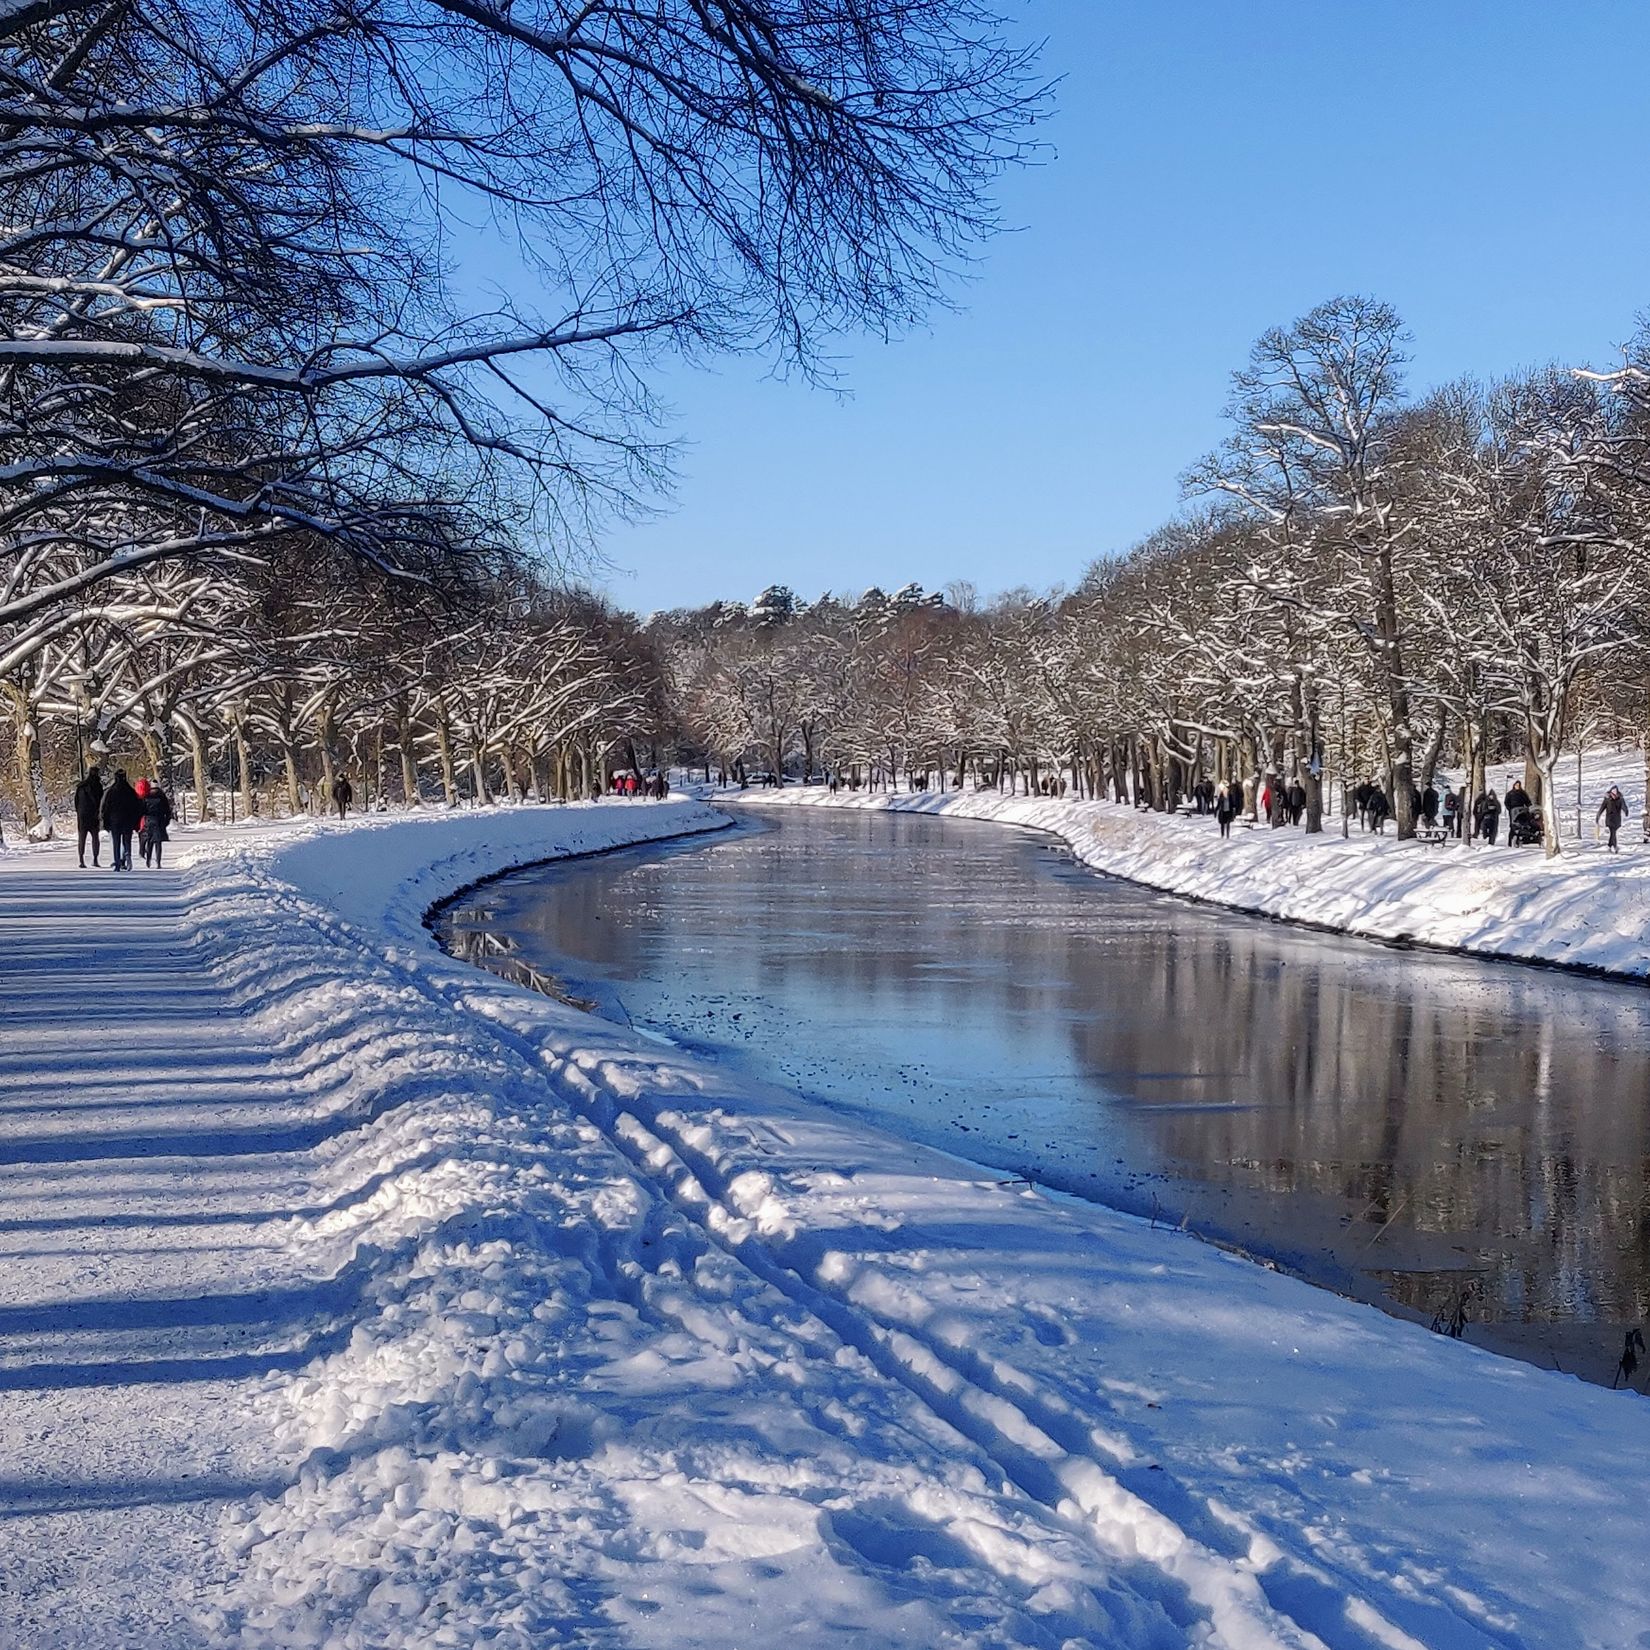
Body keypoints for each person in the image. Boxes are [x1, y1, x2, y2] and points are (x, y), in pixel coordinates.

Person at [100, 769, 142, 870]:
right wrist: (136, 822)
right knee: (127, 841)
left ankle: (117, 862)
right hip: (128, 820)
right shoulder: (130, 791)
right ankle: (127, 855)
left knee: (116, 842)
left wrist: (105, 821)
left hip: (115, 821)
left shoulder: (111, 791)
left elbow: (105, 808)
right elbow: (137, 807)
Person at [73, 764, 104, 868]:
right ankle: (95, 859)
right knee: (95, 838)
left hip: (82, 815)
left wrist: (79, 811)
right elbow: (101, 801)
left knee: (82, 837)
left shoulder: (81, 786)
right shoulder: (98, 786)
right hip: (93, 814)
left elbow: (76, 802)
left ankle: (81, 860)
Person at [139, 780, 173, 867]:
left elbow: (142, 810)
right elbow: (167, 810)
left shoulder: (146, 796)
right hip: (159, 820)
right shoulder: (162, 796)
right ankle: (158, 862)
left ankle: (148, 860)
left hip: (149, 820)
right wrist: (166, 821)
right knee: (158, 842)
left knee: (150, 841)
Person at [1596, 785, 1631, 853]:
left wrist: (1626, 811)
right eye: (1613, 792)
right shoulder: (1607, 799)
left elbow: (1623, 806)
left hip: (1617, 819)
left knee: (1613, 832)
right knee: (1613, 832)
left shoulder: (1620, 799)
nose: (1615, 794)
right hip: (1610, 819)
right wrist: (1598, 816)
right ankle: (1613, 846)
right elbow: (1602, 808)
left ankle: (1610, 845)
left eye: (1616, 792)